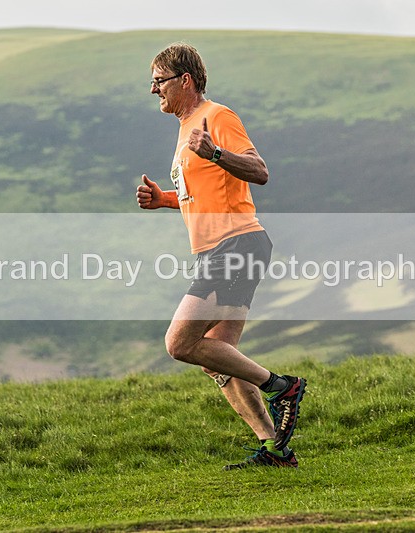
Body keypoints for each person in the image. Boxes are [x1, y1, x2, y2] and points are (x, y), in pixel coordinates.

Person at [136, 42, 306, 470]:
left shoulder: (218, 116)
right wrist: (164, 199)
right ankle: (274, 448)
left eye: (159, 81)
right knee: (218, 359)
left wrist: (213, 151)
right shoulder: (186, 127)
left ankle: (282, 386)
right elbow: (205, 192)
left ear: (185, 80)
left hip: (236, 244)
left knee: (179, 343)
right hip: (220, 249)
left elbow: (259, 171)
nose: (153, 89)